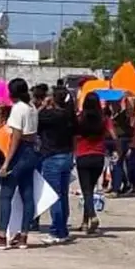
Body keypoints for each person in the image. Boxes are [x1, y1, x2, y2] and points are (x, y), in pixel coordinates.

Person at [0, 79, 40, 249]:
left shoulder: (18, 109)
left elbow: (15, 137)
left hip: (20, 152)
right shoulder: (32, 108)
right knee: (27, 195)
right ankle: (23, 236)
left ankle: (2, 236)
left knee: (5, 194)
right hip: (32, 152)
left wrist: (6, 163)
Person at [73, 92, 117, 234]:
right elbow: (114, 135)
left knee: (86, 191)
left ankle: (92, 216)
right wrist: (115, 149)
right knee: (90, 190)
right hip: (98, 156)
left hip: (82, 156)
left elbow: (73, 137)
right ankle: (85, 222)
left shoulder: (79, 119)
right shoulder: (104, 119)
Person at [38, 86, 77, 244]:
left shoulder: (50, 115)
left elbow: (36, 117)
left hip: (52, 157)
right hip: (67, 155)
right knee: (63, 195)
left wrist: (43, 105)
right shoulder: (70, 115)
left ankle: (57, 231)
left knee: (55, 196)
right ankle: (62, 230)